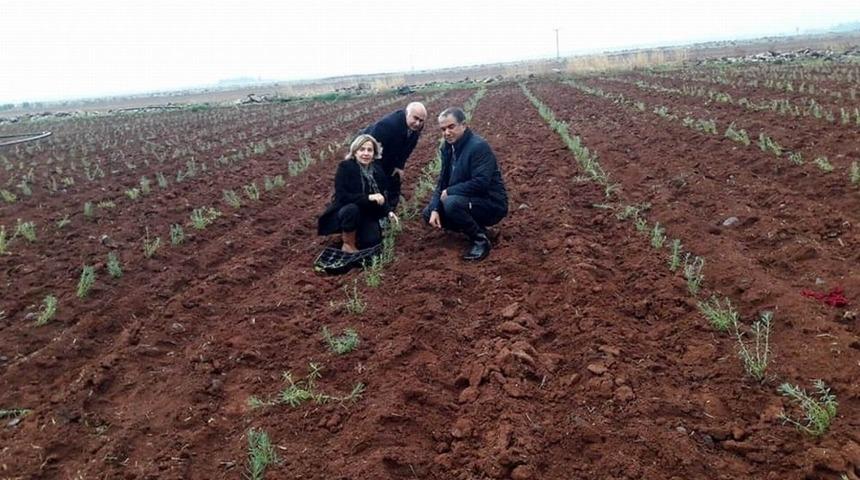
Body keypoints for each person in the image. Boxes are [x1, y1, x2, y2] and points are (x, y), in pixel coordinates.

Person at [423, 107, 508, 261]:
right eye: (443, 129)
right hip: (467, 200)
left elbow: (481, 182)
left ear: (463, 125)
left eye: (451, 127)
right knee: (429, 212)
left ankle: (480, 241)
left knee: (451, 203)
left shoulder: (478, 146)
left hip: (490, 203)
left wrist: (450, 191)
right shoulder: (448, 148)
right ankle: (482, 231)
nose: (447, 133)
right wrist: (435, 208)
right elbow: (442, 181)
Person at [318, 134, 399, 252]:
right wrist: (368, 197)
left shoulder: (377, 170)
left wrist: (388, 211)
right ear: (355, 152)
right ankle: (348, 244)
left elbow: (381, 195)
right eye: (362, 149)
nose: (366, 153)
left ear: (374, 154)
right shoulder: (346, 167)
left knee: (372, 243)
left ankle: (360, 233)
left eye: (369, 150)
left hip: (367, 213)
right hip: (345, 210)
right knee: (351, 209)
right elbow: (342, 196)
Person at [361, 102, 427, 209]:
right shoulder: (387, 125)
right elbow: (371, 148)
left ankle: (391, 209)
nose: (417, 123)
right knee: (375, 179)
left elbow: (408, 148)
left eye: (421, 120)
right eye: (415, 118)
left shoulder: (416, 127)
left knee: (395, 177)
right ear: (407, 114)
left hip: (389, 151)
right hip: (368, 149)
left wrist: (399, 166)